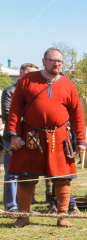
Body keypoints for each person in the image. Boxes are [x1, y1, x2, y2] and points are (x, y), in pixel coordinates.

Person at [7, 48, 86, 227]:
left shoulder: (68, 84)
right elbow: (15, 108)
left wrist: (81, 140)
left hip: (59, 137)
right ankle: (23, 216)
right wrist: (14, 134)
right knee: (26, 177)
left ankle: (63, 216)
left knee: (63, 178)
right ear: (44, 61)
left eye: (59, 61)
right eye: (52, 60)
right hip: (31, 136)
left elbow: (77, 114)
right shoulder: (27, 80)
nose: (56, 64)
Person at [2, 62, 39, 212]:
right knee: (12, 173)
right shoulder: (10, 90)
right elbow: (8, 113)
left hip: (30, 138)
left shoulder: (36, 91)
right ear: (21, 72)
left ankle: (25, 206)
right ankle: (11, 206)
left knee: (27, 172)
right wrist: (30, 120)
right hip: (12, 137)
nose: (31, 77)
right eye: (29, 73)